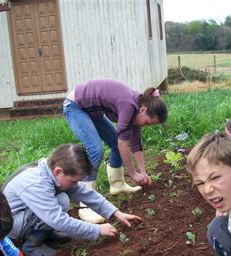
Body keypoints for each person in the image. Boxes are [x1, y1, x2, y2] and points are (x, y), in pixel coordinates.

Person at [3, 143, 142, 256]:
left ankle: (45, 234)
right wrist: (97, 229)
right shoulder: (37, 183)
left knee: (61, 199)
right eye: (74, 181)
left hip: (22, 217)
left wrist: (117, 213)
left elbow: (87, 194)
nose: (76, 185)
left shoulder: (52, 172)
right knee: (61, 201)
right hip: (10, 225)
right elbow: (57, 220)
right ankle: (31, 245)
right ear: (58, 171)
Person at [63, 78, 168, 223]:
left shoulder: (138, 108)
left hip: (94, 112)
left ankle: (117, 184)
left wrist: (143, 172)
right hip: (75, 107)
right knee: (95, 149)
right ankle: (85, 203)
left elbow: (136, 143)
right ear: (143, 110)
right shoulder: (128, 104)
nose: (145, 126)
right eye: (147, 123)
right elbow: (122, 144)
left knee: (113, 141)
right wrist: (133, 174)